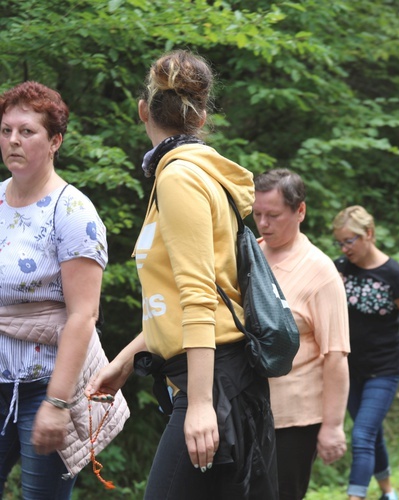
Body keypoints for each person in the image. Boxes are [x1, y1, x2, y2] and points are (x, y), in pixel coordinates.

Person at [86, 50, 276, 499]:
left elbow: (198, 297)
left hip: (214, 384)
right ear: (202, 115)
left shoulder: (180, 179)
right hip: (212, 378)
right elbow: (173, 299)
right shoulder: (187, 173)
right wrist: (126, 360)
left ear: (142, 110)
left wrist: (202, 406)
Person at [0, 81, 129, 498]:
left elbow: (82, 315)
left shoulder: (72, 211)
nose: (13, 141)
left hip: (46, 385)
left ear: (55, 141)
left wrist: (56, 404)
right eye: (6, 131)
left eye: (27, 132)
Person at [252, 169, 350, 500]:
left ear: (300, 211)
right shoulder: (248, 254)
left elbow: (335, 355)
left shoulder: (321, 273)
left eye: (274, 215)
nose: (263, 224)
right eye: (257, 214)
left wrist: (333, 427)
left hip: (293, 419)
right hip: (244, 410)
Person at [332, 206, 399, 500]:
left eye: (349, 241)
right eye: (339, 242)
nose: (344, 248)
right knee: (372, 433)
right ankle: (389, 493)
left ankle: (355, 496)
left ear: (369, 234)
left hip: (384, 370)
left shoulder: (394, 274)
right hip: (348, 370)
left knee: (362, 435)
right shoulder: (338, 268)